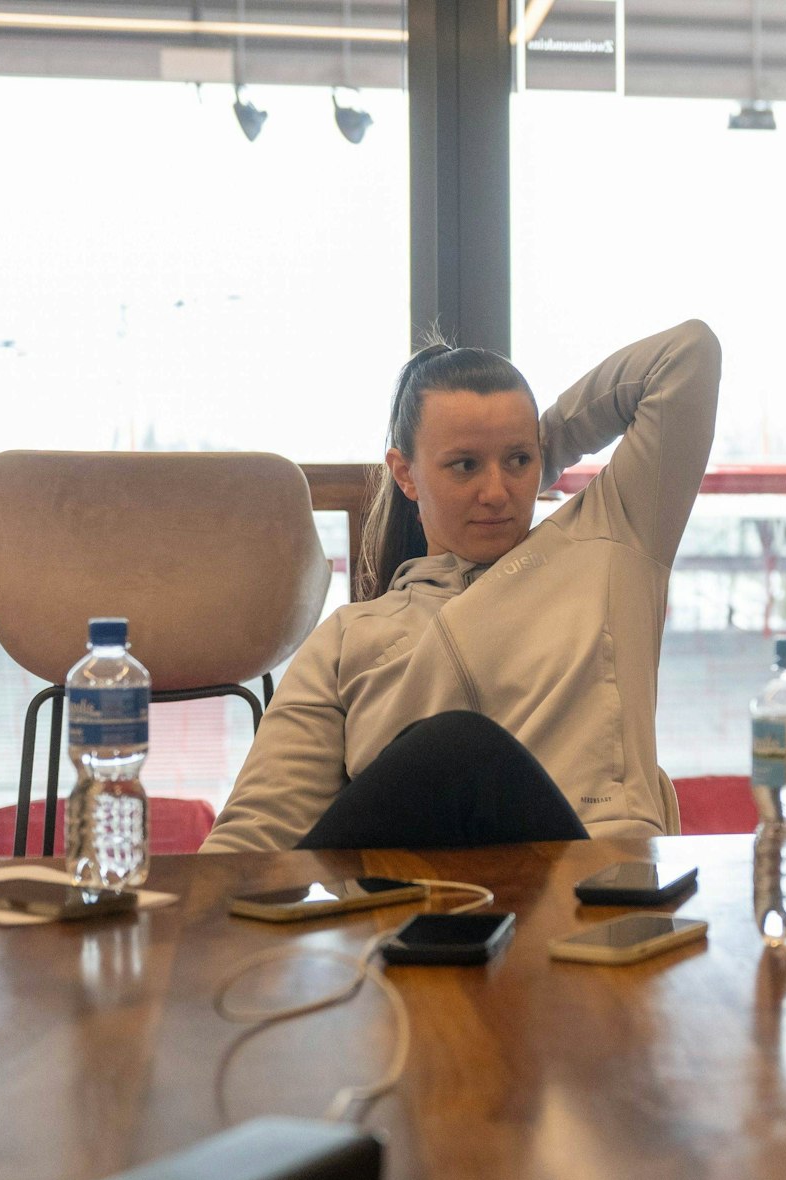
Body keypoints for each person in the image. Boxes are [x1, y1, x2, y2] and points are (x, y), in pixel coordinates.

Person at [201, 319, 719, 852]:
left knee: (457, 746)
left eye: (516, 461)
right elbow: (256, 836)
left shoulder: (611, 544)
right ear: (405, 474)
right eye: (465, 465)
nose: (497, 492)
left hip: (589, 887)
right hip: (417, 912)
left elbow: (687, 354)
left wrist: (544, 446)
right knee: (447, 749)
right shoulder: (347, 639)